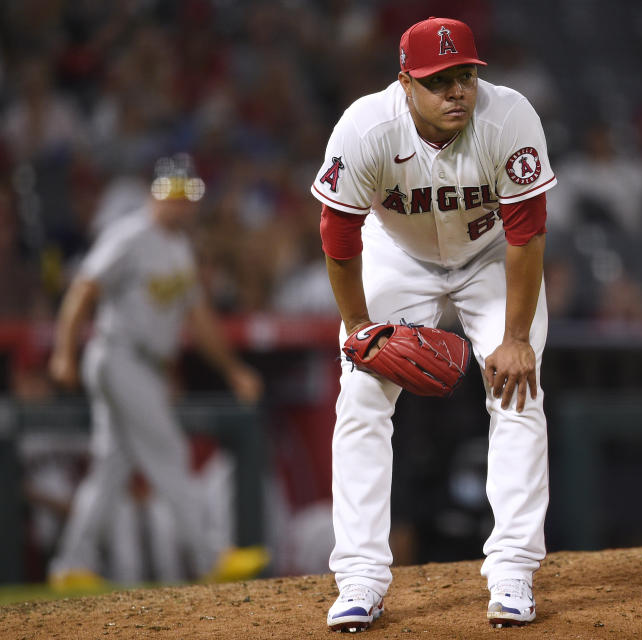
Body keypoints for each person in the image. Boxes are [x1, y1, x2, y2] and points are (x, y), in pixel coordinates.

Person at [311, 17, 555, 631]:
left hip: (492, 256)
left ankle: (513, 572)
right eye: (438, 80)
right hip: (398, 256)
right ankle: (361, 576)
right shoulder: (367, 126)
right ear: (405, 81)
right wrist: (359, 325)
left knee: (517, 391)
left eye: (465, 76)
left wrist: (517, 338)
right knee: (362, 395)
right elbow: (338, 236)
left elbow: (527, 235)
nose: (455, 91)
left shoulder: (511, 118)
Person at [47, 154, 269, 591]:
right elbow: (83, 289)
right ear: (156, 193)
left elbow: (199, 318)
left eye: (189, 196)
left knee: (111, 466)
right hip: (118, 355)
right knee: (169, 452)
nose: (183, 204)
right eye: (175, 194)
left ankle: (71, 565)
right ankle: (209, 557)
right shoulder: (130, 235)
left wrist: (232, 369)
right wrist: (63, 353)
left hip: (144, 364)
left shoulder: (179, 247)